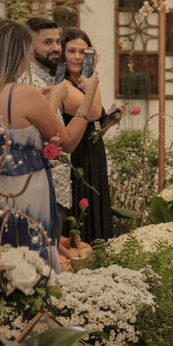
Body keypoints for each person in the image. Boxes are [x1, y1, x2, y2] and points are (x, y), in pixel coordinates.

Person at [0, 20, 98, 272]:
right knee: (31, 261)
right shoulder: (24, 93)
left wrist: (49, 101)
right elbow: (67, 142)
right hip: (26, 191)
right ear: (15, 55)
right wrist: (88, 96)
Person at [17, 18, 75, 245]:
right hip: (41, 184)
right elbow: (39, 133)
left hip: (54, 184)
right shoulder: (28, 80)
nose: (56, 48)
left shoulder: (47, 78)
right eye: (48, 42)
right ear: (29, 46)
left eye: (58, 42)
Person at [60, 28, 114, 243]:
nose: (77, 57)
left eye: (83, 52)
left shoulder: (83, 84)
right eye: (71, 51)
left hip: (93, 154)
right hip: (76, 156)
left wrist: (109, 119)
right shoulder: (63, 85)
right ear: (62, 54)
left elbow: (96, 119)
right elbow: (92, 111)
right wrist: (92, 71)